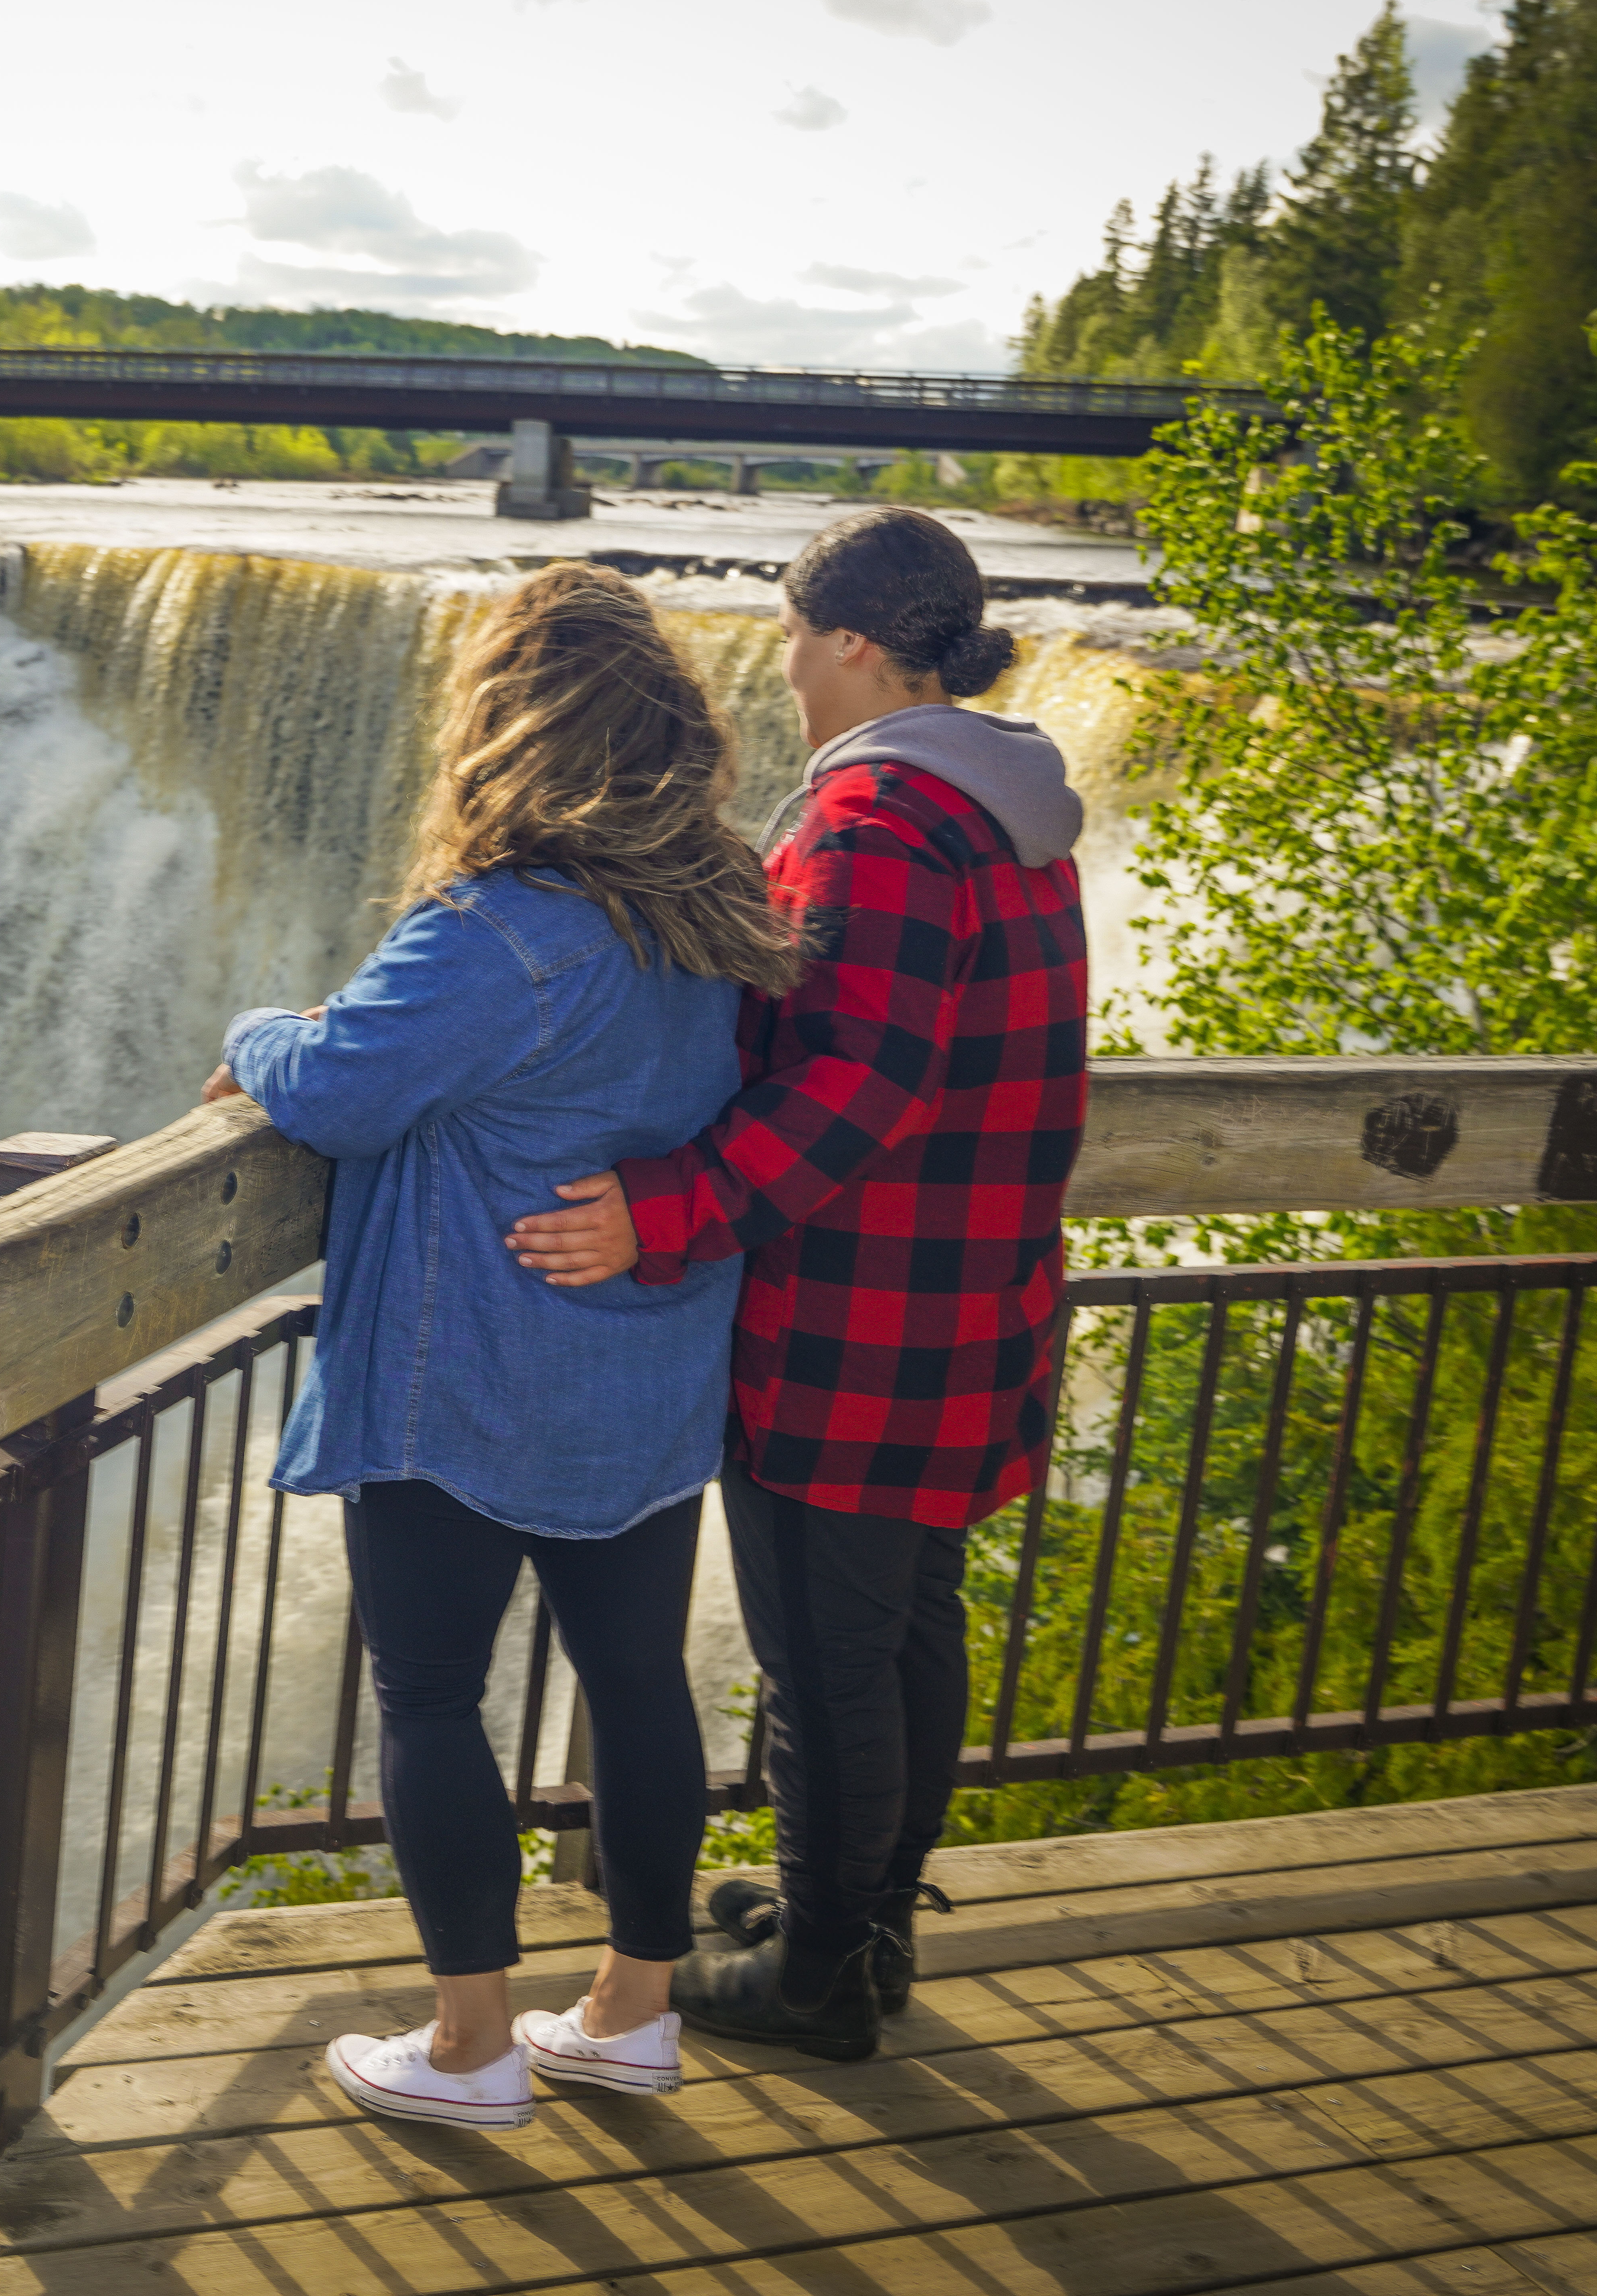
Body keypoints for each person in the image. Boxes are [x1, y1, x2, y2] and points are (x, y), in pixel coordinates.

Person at [203, 561, 803, 2132]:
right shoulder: (715, 910)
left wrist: (254, 1034)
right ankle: (631, 2015)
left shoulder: (500, 929)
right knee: (639, 1681)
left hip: (469, 1373)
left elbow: (337, 1088)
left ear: (512, 728)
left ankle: (471, 2049)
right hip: (646, 1367)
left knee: (428, 1697)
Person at [505, 505, 1088, 2062]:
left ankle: (820, 1974)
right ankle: (865, 1920)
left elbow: (858, 1081)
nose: (781, 666)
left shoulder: (876, 819)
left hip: (855, 1318)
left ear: (848, 642)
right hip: (975, 1296)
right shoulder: (1010, 812)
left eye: (787, 635)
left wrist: (665, 1212)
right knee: (905, 1626)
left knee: (825, 1660)